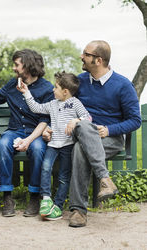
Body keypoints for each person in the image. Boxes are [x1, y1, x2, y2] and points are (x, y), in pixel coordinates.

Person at [44, 40, 141, 227]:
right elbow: (60, 106)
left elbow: (135, 120)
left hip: (109, 139)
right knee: (83, 131)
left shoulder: (123, 85)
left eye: (86, 54)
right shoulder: (79, 82)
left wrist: (110, 129)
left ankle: (78, 210)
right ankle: (105, 179)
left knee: (81, 147)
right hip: (81, 133)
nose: (81, 56)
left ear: (98, 60)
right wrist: (52, 127)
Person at [17, 71, 91, 221]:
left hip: (68, 145)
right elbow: (36, 108)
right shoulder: (52, 104)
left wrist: (76, 120)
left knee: (64, 176)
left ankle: (57, 206)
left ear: (65, 92)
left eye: (56, 87)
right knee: (45, 168)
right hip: (53, 144)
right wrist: (26, 92)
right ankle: (46, 199)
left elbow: (88, 118)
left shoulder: (75, 103)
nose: (53, 90)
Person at [0, 49, 54, 217]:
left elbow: (44, 120)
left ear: (28, 66)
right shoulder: (13, 84)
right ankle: (7, 197)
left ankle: (35, 196)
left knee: (37, 149)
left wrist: (28, 140)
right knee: (3, 144)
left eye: (17, 65)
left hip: (36, 132)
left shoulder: (47, 88)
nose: (14, 68)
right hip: (14, 130)